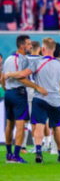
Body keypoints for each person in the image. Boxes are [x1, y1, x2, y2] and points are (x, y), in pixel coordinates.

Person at [5, 37, 60, 164]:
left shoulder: (37, 63)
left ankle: (38, 151)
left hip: (39, 98)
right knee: (57, 127)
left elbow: (23, 74)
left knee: (39, 125)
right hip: (55, 99)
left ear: (42, 49)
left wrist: (10, 74)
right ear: (55, 49)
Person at [3, 35, 46, 163]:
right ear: (22, 46)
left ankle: (9, 154)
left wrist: (6, 89)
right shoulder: (23, 60)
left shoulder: (8, 59)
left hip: (8, 93)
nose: (30, 46)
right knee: (20, 125)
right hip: (19, 93)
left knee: (9, 125)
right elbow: (22, 78)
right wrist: (37, 87)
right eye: (28, 44)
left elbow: (2, 78)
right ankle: (16, 156)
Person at [22, 40, 41, 154]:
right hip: (38, 93)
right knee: (36, 121)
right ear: (39, 49)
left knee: (25, 121)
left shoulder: (24, 60)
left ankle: (23, 147)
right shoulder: (42, 60)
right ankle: (36, 147)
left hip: (26, 92)